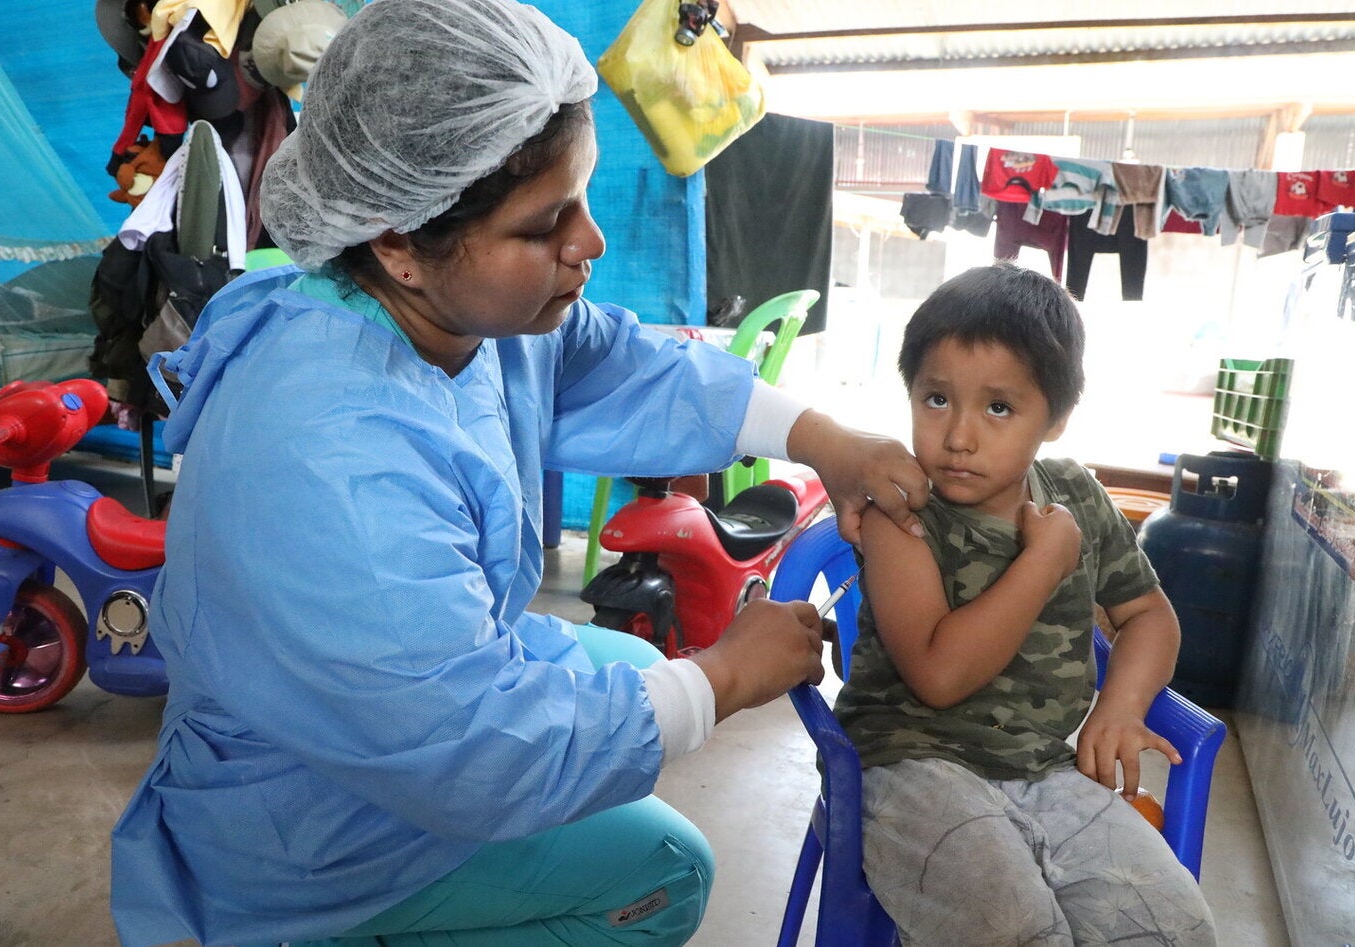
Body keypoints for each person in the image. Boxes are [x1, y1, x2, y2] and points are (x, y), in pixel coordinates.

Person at [108, 1, 928, 945]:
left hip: (386, 702)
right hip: (319, 823)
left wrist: (827, 440)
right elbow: (482, 753)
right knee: (669, 870)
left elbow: (609, 362)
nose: (592, 244)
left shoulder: (452, 315)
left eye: (580, 200)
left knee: (628, 665)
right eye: (547, 224)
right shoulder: (332, 468)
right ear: (398, 243)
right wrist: (725, 680)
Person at [833, 262, 1217, 945]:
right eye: (937, 399)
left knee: (1175, 927)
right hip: (908, 766)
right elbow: (939, 673)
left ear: (1057, 418)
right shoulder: (900, 507)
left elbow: (1148, 615)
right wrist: (1042, 561)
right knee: (1011, 926)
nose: (959, 436)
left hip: (1043, 767)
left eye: (999, 407)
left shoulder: (1076, 494)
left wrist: (1120, 706)